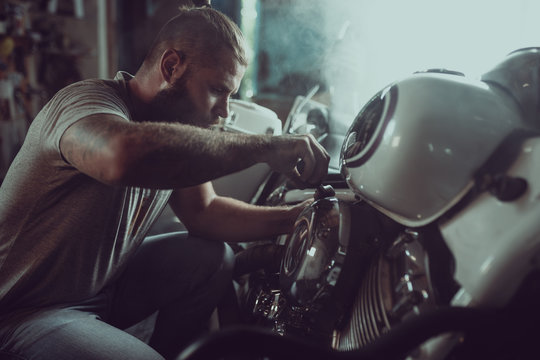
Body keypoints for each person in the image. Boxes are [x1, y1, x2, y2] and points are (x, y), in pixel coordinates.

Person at [0, 5, 329, 360]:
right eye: (218, 89)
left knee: (215, 257)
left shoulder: (170, 128)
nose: (224, 111)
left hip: (101, 289)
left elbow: (204, 211)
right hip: (25, 310)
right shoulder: (84, 102)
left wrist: (298, 217)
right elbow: (120, 156)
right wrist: (266, 148)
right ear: (172, 67)